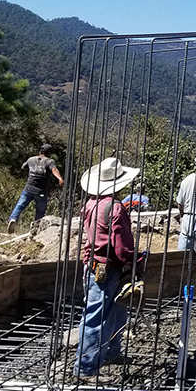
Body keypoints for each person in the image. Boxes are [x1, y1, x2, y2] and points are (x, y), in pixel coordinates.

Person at [75, 157, 140, 378]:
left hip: (93, 265)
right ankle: (85, 368)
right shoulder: (115, 208)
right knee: (97, 317)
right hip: (108, 269)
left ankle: (112, 353)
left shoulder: (91, 204)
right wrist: (133, 261)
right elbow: (121, 244)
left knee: (116, 312)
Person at [7, 144, 65, 233]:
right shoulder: (49, 161)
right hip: (41, 191)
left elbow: (23, 167)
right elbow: (54, 170)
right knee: (40, 212)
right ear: (49, 153)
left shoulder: (31, 159)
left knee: (20, 206)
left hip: (28, 189)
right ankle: (36, 229)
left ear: (40, 152)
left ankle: (13, 219)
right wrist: (59, 178)